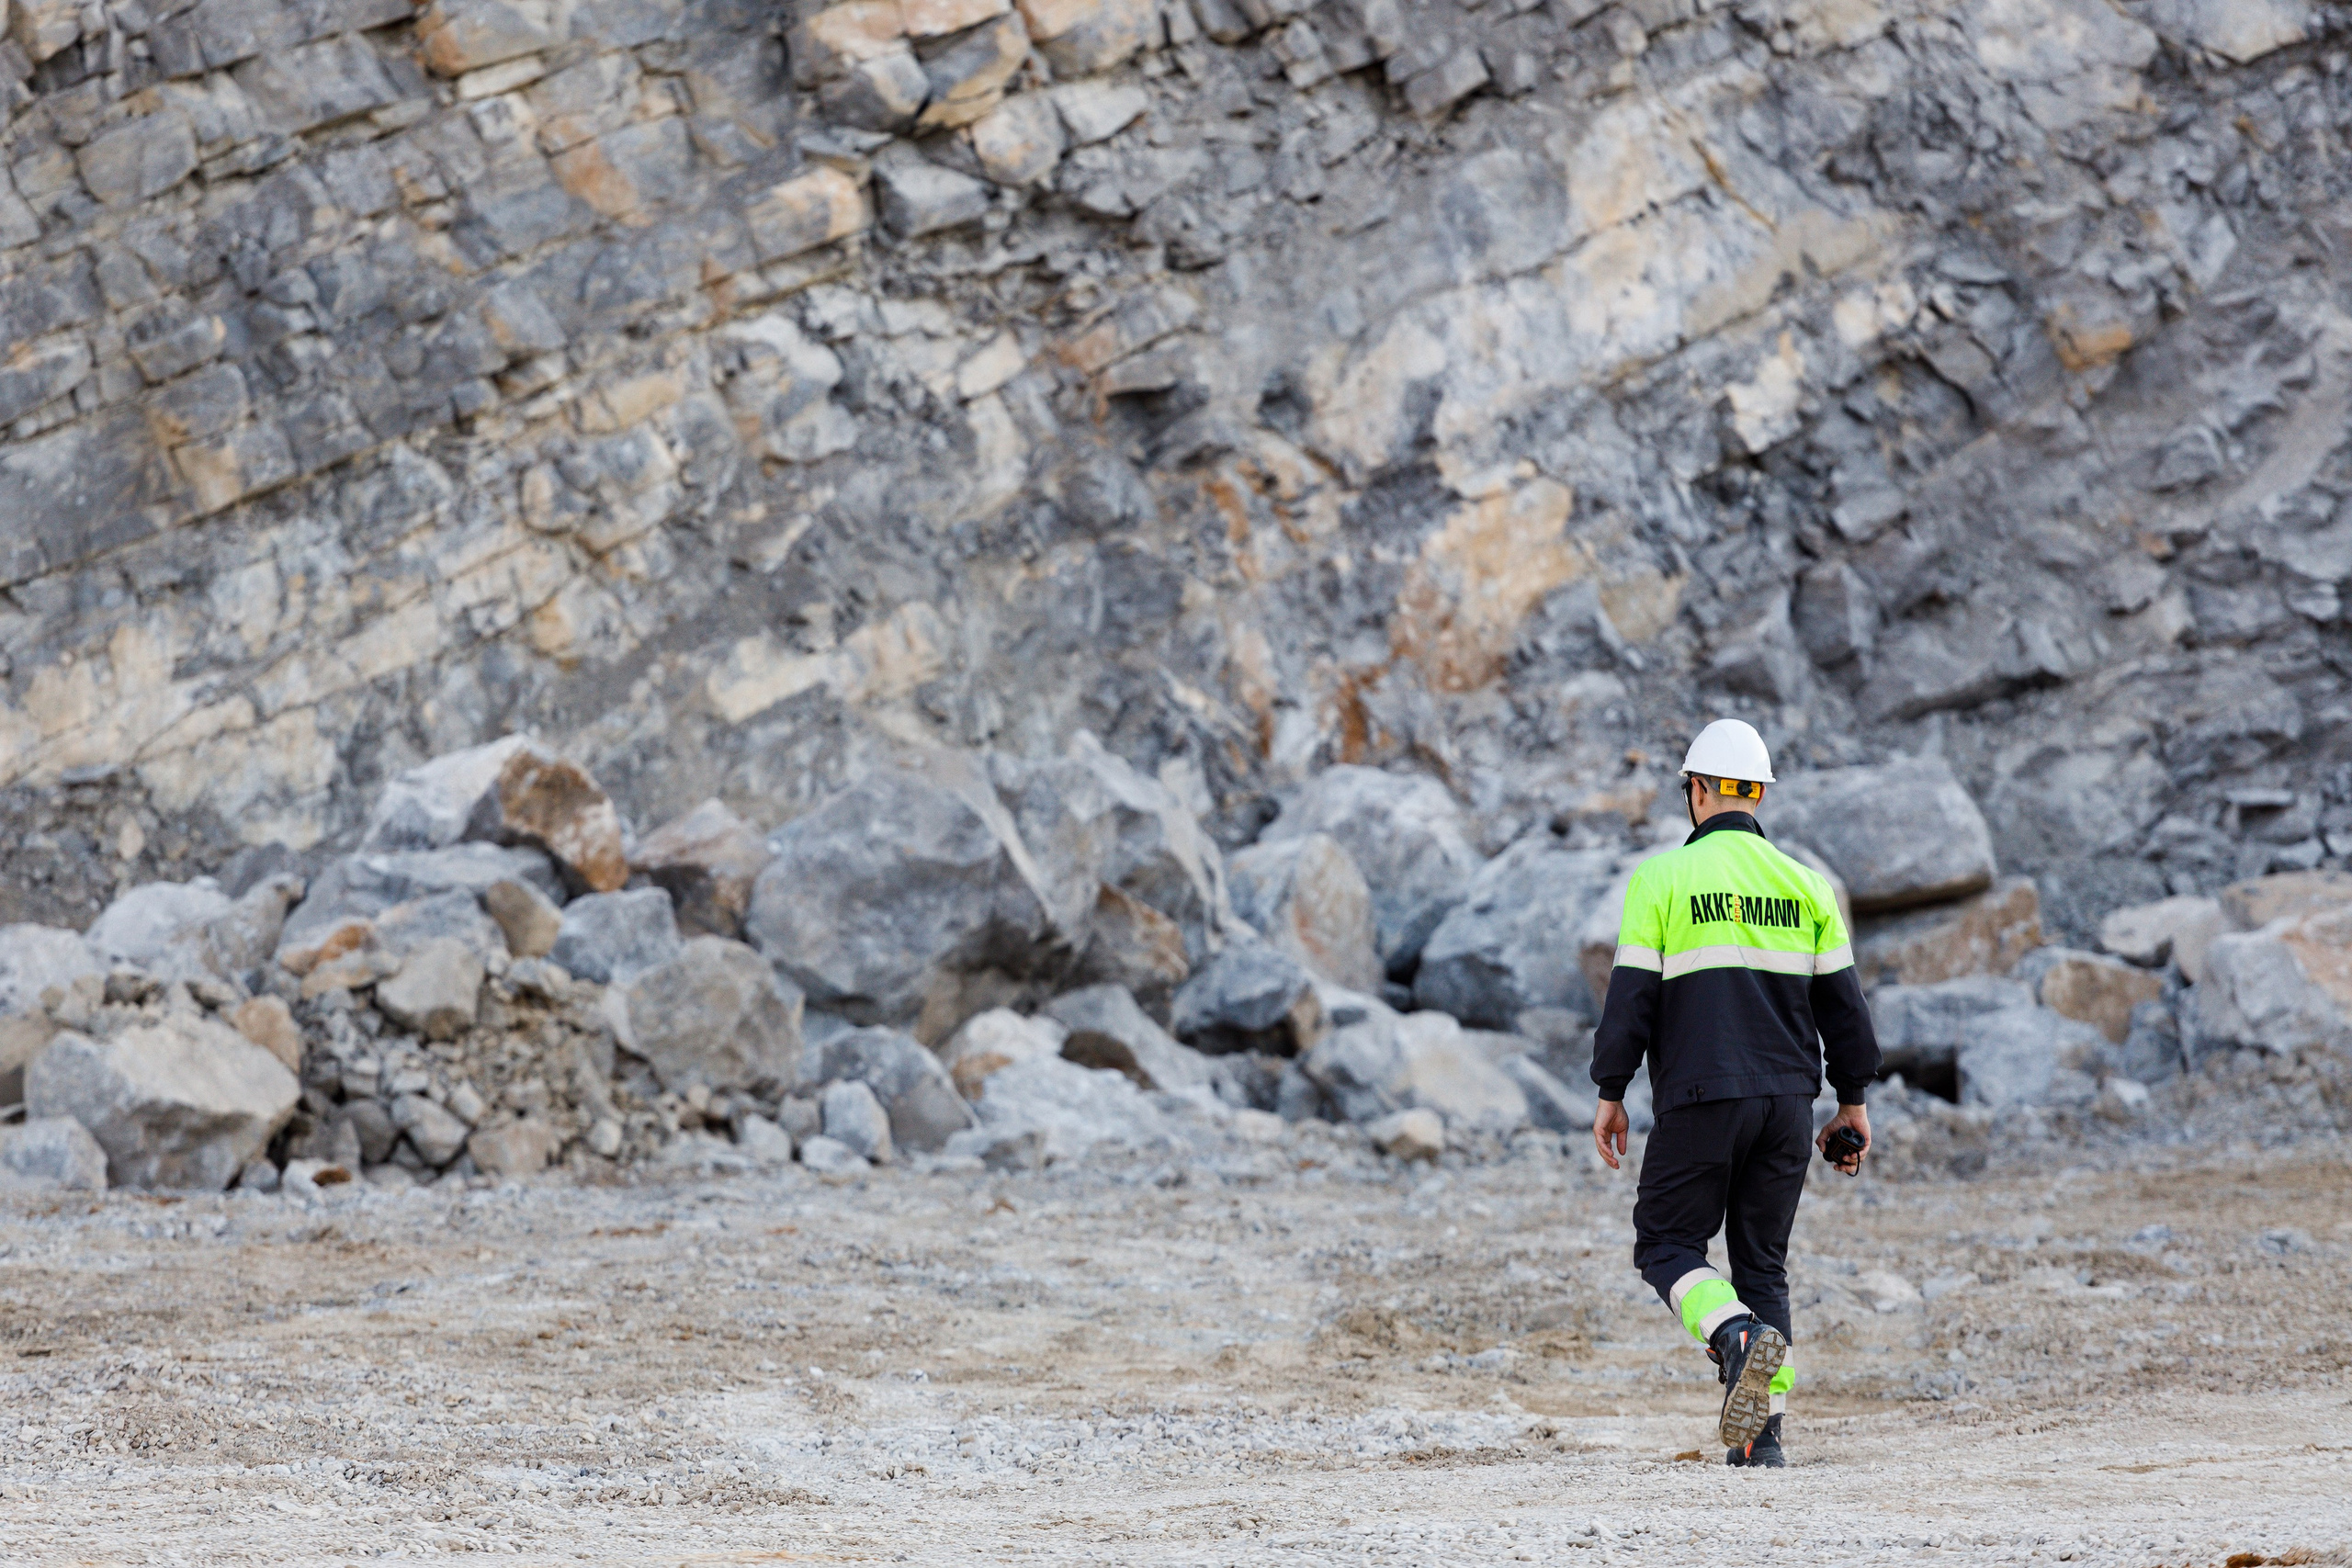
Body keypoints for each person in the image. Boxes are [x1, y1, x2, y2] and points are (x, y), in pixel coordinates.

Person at [1588, 718, 1881, 1469]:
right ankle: (1762, 1437)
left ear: (1703, 790)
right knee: (1762, 1266)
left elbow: (1629, 1002)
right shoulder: (1807, 886)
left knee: (1666, 1243)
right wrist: (1851, 1103)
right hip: (1789, 1104)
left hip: (1699, 1095)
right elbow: (1847, 1013)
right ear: (1755, 794)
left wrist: (1611, 1089)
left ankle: (1733, 1336)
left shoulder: (1661, 880)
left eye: (1689, 786)